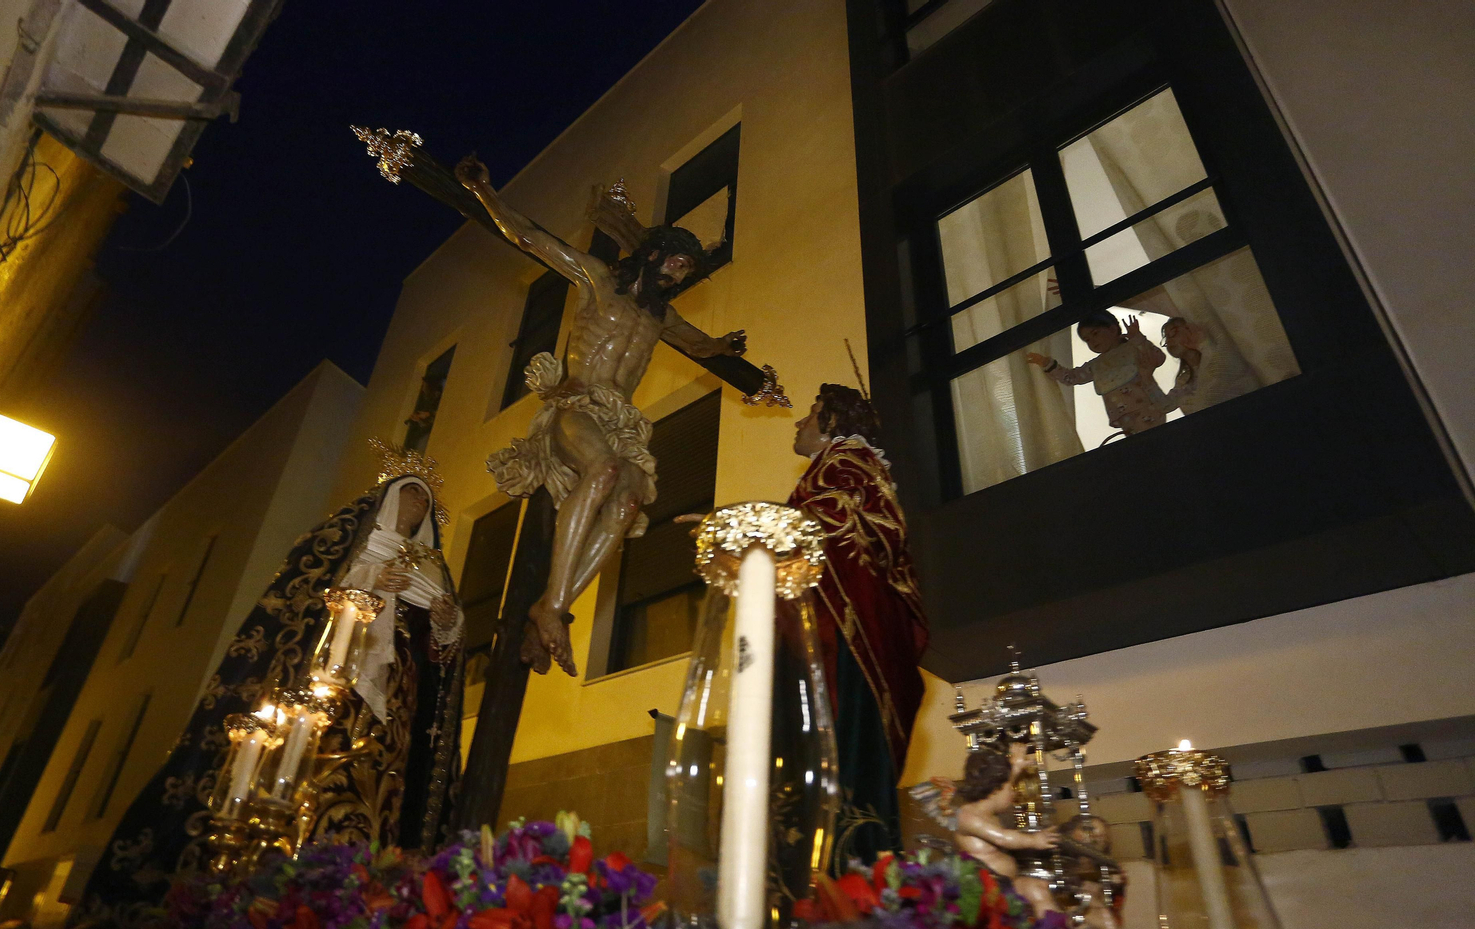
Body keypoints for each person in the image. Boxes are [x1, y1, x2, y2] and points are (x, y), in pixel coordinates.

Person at [71, 445, 464, 928]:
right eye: (410, 496)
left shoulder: (433, 569)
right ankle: (290, 871)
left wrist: (446, 624)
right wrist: (372, 579)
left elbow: (440, 658)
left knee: (380, 784)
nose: (418, 508)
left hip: (398, 700)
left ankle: (363, 882)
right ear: (387, 501)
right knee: (317, 770)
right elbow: (301, 605)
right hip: (336, 683)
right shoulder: (346, 543)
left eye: (425, 504)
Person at [457, 155, 746, 676]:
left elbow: (701, 348)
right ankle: (550, 609)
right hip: (576, 402)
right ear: (654, 253)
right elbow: (530, 239)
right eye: (677, 264)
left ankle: (551, 606)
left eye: (686, 272)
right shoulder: (597, 280)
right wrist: (485, 194)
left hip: (620, 420)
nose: (679, 276)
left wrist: (727, 344)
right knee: (605, 471)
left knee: (631, 497)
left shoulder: (664, 319)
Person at [787, 383, 929, 863]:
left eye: (810, 414)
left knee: (847, 732)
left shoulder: (845, 462)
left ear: (831, 422)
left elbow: (870, 529)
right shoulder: (839, 466)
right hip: (838, 615)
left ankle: (845, 864)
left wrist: (762, 527)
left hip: (851, 622)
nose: (799, 424)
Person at [953, 745, 1064, 926]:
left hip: (1007, 885)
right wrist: (1034, 840)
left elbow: (1001, 784)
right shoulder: (967, 816)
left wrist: (1015, 766)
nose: (1014, 793)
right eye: (1011, 788)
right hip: (984, 892)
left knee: (1039, 888)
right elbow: (1002, 837)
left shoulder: (989, 810)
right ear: (995, 789)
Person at [1027, 311, 1168, 437]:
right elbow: (1071, 377)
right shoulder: (1095, 365)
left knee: (1155, 444)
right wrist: (1046, 363)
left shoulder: (1133, 348)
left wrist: (1138, 338)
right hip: (1123, 418)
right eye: (1087, 339)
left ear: (1113, 329)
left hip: (1149, 409)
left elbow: (1158, 358)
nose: (1092, 341)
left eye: (1095, 333)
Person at [1160, 316, 1261, 416]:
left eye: (1173, 333)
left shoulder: (1219, 357)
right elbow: (1164, 406)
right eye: (1166, 339)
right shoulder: (1183, 380)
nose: (1169, 342)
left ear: (1189, 329)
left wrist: (1202, 344)